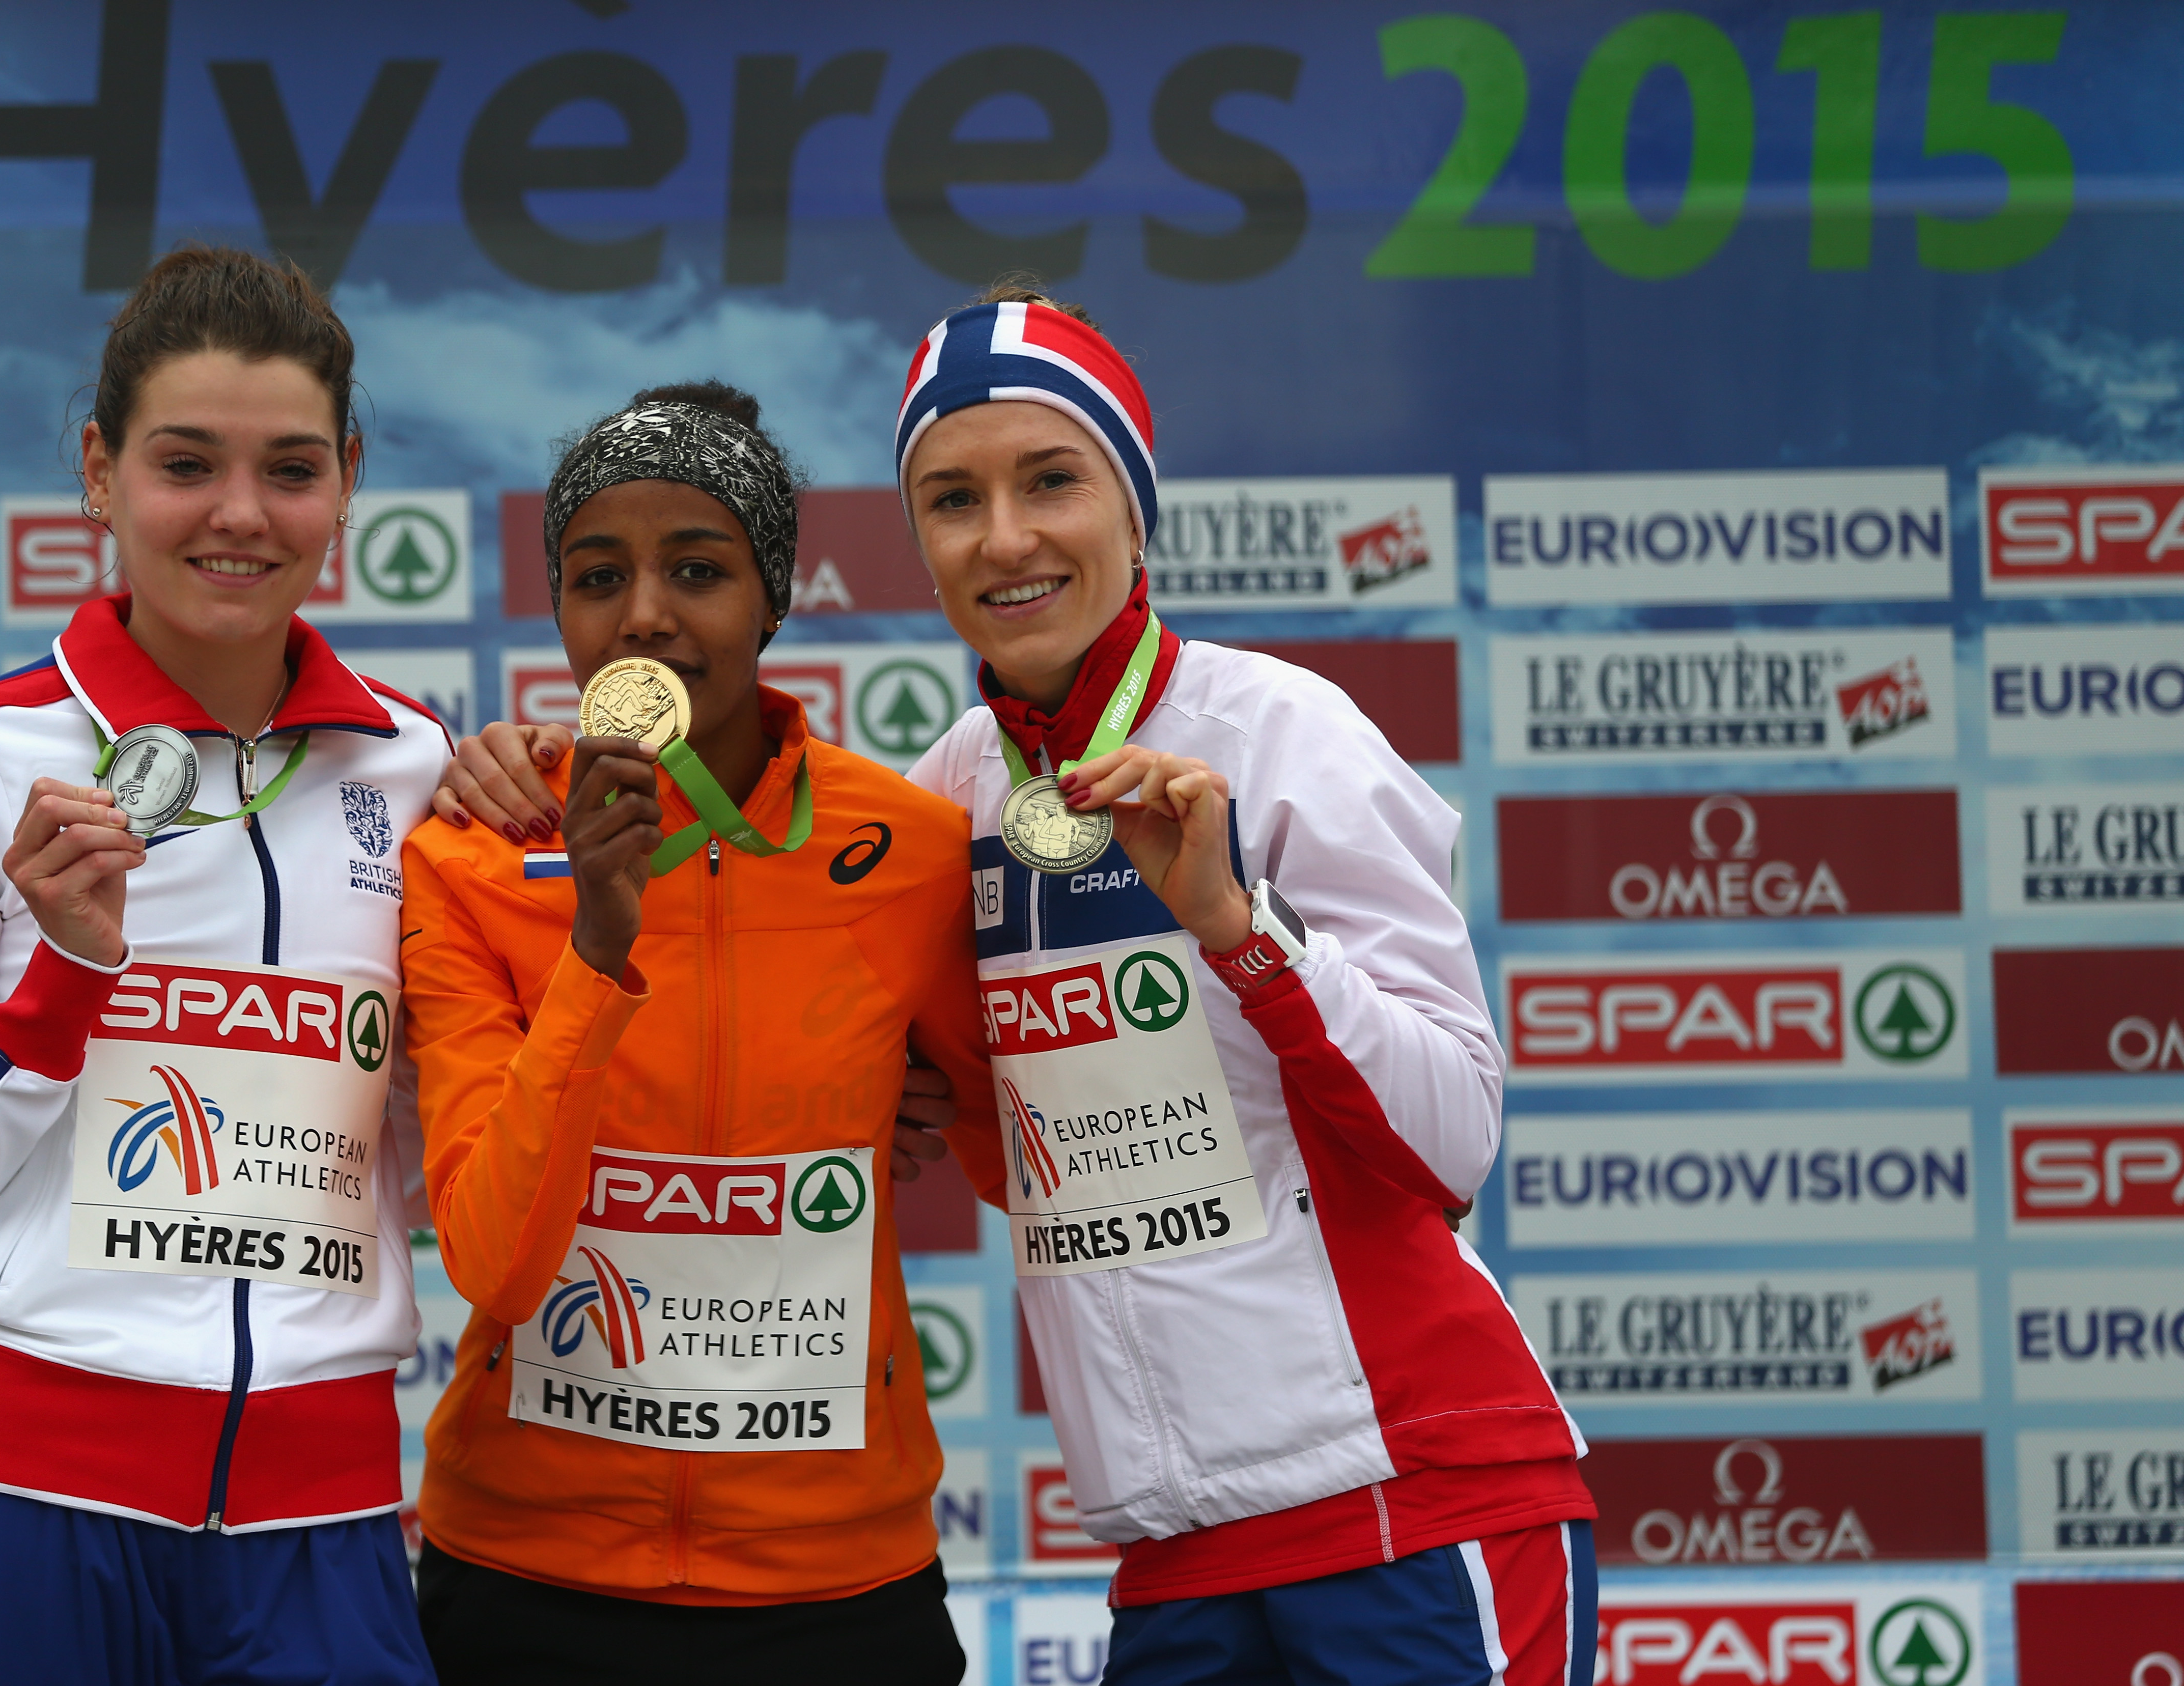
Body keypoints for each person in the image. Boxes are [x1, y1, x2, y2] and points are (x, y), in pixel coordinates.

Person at [447, 293, 1598, 1684]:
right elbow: (983, 1113)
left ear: (1136, 507)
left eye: (1052, 481)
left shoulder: (1282, 732)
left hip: (1412, 1492)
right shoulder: (948, 798)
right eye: (954, 499)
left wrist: (1238, 928)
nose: (1004, 538)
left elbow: (1452, 1137)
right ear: (920, 544)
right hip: (1173, 1537)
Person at [0, 248, 441, 1685]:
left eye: (291, 469)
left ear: (348, 482)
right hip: (24, 1505)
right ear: (100, 474)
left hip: (322, 1517)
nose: (240, 514)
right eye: (186, 464)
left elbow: (438, 1164)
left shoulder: (417, 771)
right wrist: (63, 978)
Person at [397, 381, 994, 1685]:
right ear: (559, 607)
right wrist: (596, 953)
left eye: (700, 570)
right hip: (526, 1575)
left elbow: (1018, 1159)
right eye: (598, 576)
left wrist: (918, 1093)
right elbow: (493, 1263)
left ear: (774, 598)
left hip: (837, 1581)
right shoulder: (473, 857)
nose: (646, 615)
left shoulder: (910, 848)